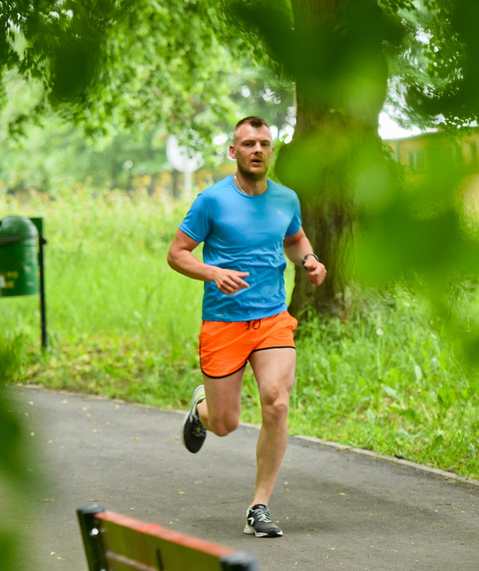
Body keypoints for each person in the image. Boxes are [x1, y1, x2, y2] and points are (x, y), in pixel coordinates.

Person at [167, 116, 326, 538]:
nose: (257, 150)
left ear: (271, 151)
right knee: (226, 423)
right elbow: (177, 253)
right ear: (233, 152)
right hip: (223, 322)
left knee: (276, 402)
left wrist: (308, 261)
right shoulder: (212, 201)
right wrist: (212, 273)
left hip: (272, 319)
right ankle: (203, 412)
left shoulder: (286, 199)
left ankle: (259, 506)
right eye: (248, 143)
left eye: (264, 143)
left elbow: (294, 239)